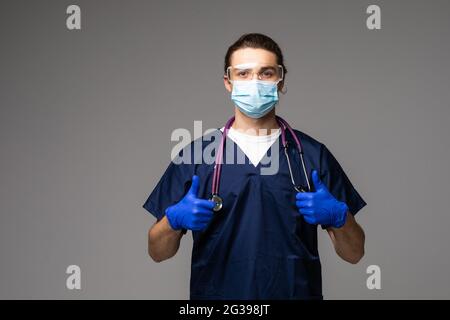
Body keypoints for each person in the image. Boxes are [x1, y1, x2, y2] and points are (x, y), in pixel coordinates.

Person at [143, 33, 366, 300]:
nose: (255, 83)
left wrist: (339, 219)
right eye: (244, 74)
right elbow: (158, 252)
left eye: (266, 73)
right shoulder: (197, 156)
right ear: (228, 82)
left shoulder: (311, 155)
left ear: (280, 81)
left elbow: (354, 254)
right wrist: (173, 220)